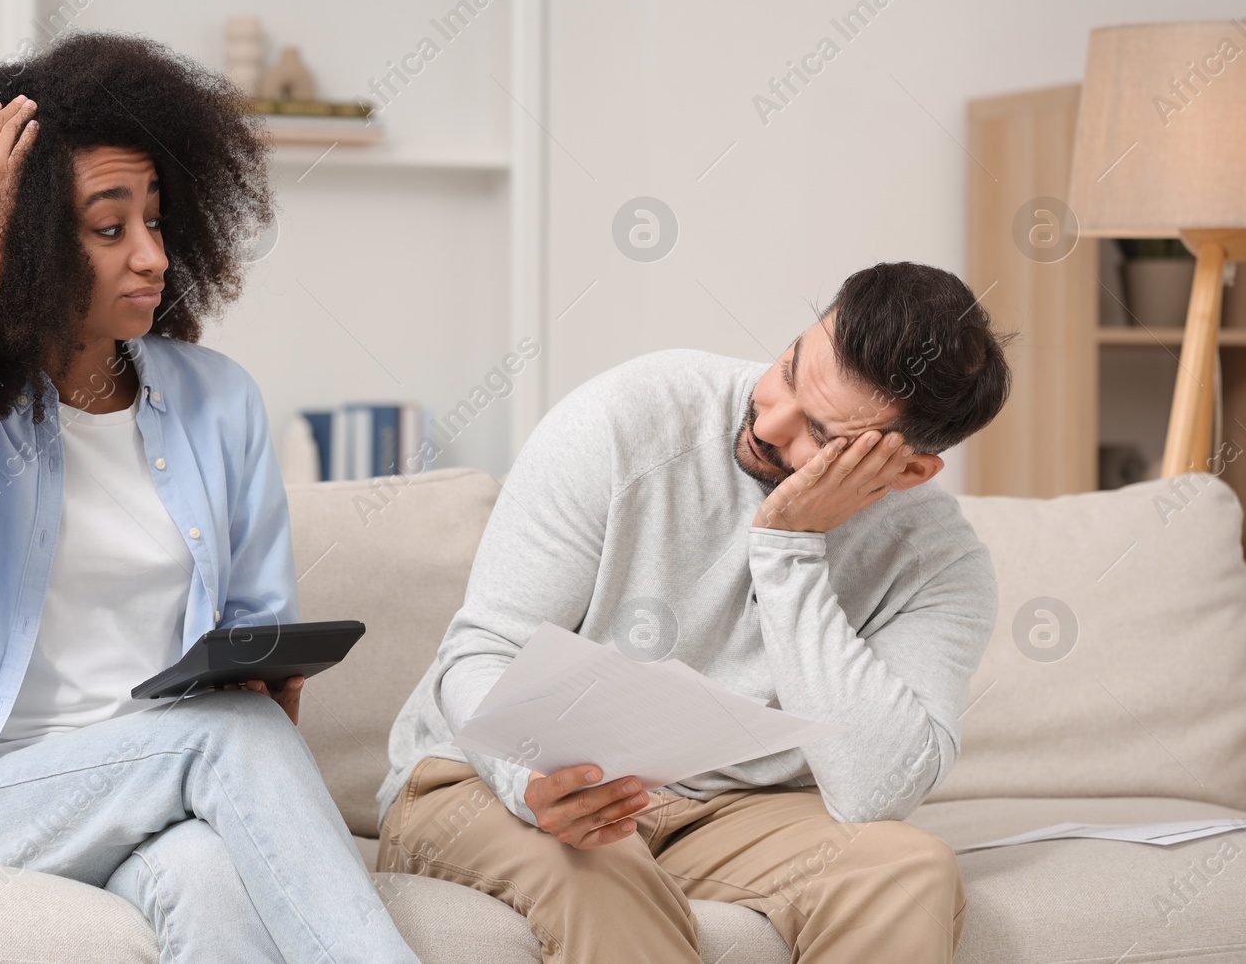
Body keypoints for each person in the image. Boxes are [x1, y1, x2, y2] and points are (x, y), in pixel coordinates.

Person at [0, 28, 421, 964]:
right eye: (108, 227)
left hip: (168, 782)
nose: (150, 256)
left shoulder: (219, 399)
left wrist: (266, 671)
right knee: (224, 736)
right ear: (38, 245)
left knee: (211, 883)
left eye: (158, 221)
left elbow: (261, 624)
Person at [375, 262, 1016, 963]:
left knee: (905, 869)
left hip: (726, 813)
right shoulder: (629, 418)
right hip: (484, 780)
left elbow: (873, 790)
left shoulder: (940, 563)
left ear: (909, 471)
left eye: (823, 437)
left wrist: (789, 549)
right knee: (603, 866)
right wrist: (527, 780)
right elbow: (480, 651)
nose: (768, 420)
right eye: (789, 368)